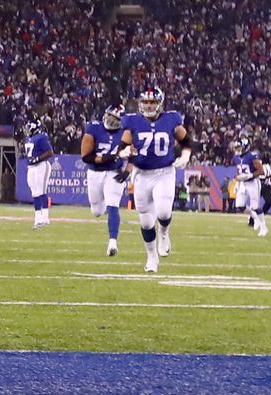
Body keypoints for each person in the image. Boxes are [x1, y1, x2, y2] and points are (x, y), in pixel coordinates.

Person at [121, 85, 190, 273]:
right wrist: (124, 151)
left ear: (159, 103)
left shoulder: (171, 119)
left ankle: (164, 232)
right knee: (145, 221)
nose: (149, 106)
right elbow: (123, 145)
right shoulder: (132, 121)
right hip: (142, 174)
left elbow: (186, 141)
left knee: (163, 212)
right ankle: (152, 257)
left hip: (164, 172)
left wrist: (185, 155)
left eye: (152, 102)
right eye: (145, 102)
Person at [81, 105, 128, 256]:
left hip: (114, 172)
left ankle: (113, 242)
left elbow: (134, 154)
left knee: (113, 205)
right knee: (96, 211)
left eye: (115, 118)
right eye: (110, 115)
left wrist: (127, 171)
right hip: (95, 172)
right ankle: (102, 210)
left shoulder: (125, 132)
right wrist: (105, 158)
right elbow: (86, 156)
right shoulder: (93, 128)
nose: (110, 120)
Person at [234, 140, 268, 237]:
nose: (237, 150)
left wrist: (250, 176)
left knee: (255, 207)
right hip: (243, 184)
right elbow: (239, 172)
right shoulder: (237, 158)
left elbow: (261, 171)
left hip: (253, 183)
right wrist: (237, 180)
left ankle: (264, 227)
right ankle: (254, 217)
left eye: (239, 148)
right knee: (239, 205)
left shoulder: (251, 156)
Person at [23, 124, 55, 227]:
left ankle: (45, 218)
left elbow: (50, 152)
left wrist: (37, 159)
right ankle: (38, 219)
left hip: (41, 165)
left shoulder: (41, 137)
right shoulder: (29, 138)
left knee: (41, 191)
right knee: (34, 192)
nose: (27, 130)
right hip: (31, 167)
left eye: (29, 128)